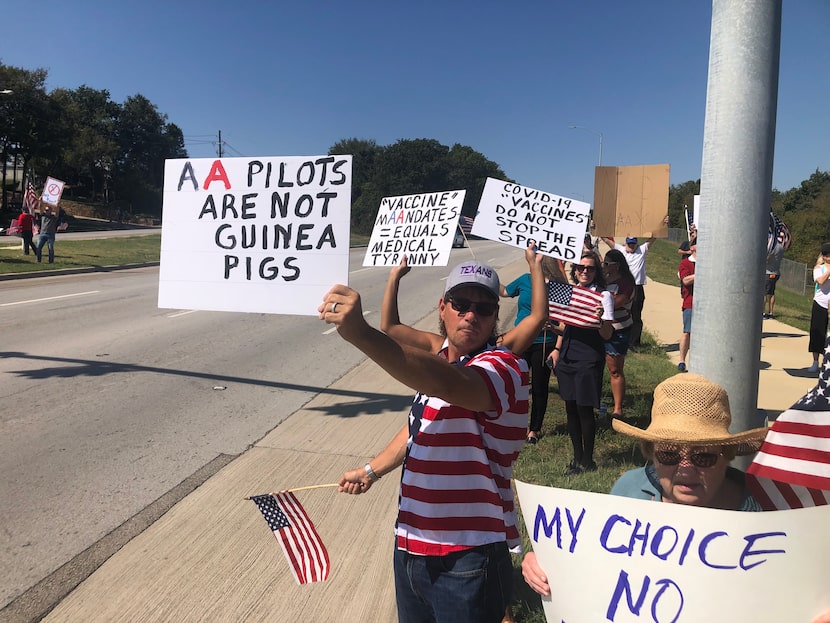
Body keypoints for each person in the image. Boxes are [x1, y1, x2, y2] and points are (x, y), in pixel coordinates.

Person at [328, 257, 536, 623]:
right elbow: (418, 426)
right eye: (461, 304)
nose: (471, 315)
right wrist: (371, 470)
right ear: (443, 308)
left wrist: (360, 333)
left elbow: (448, 385)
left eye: (484, 308)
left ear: (493, 317)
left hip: (467, 554)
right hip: (409, 543)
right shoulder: (439, 359)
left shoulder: (505, 367)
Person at [521, 373, 776, 598]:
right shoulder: (629, 491)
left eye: (703, 456)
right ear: (651, 453)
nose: (685, 468)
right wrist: (544, 564)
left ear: (726, 455)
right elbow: (594, 563)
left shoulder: (767, 513)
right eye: (669, 454)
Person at [550, 251, 614, 475]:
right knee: (570, 408)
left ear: (597, 272)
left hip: (588, 357)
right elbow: (565, 325)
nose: (584, 271)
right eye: (580, 267)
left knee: (584, 409)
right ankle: (576, 457)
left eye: (590, 268)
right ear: (574, 270)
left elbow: (607, 334)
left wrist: (599, 320)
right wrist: (555, 340)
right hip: (567, 355)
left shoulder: (603, 296)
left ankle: (588, 460)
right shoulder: (568, 292)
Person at [501, 254, 567, 443]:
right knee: (513, 384)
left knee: (539, 387)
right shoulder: (525, 279)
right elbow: (505, 291)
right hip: (520, 340)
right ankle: (511, 423)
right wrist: (488, 278)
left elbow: (565, 322)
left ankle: (534, 429)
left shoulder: (558, 287)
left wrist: (557, 346)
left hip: (544, 343)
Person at [600, 234, 656, 349]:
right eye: (629, 244)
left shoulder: (642, 249)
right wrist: (596, 226)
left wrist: (662, 224)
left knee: (636, 315)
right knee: (622, 313)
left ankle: (634, 342)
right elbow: (606, 239)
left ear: (637, 243)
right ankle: (620, 337)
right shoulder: (620, 250)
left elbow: (653, 238)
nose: (631, 246)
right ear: (625, 243)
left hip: (637, 287)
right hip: (622, 285)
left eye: (633, 244)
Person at [601, 248, 635, 419]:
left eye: (607, 264)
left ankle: (617, 409)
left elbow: (616, 303)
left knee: (615, 369)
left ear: (617, 266)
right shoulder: (603, 280)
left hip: (618, 330)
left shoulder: (626, 283)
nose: (604, 266)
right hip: (599, 328)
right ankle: (595, 401)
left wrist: (598, 300)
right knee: (595, 366)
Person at [807, 243, 830, 373]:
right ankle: (815, 362)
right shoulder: (818, 268)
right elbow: (820, 281)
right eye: (827, 256)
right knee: (817, 333)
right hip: (820, 304)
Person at [677, 241, 696, 372]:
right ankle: (682, 361)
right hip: (690, 303)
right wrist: (701, 272)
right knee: (687, 332)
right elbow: (685, 280)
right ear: (692, 247)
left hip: (707, 306)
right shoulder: (685, 263)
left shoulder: (709, 263)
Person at [764, 235, 784, 319]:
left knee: (764, 293)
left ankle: (763, 312)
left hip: (768, 272)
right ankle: (771, 312)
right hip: (776, 273)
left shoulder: (771, 248)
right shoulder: (781, 247)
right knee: (771, 293)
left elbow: (767, 259)